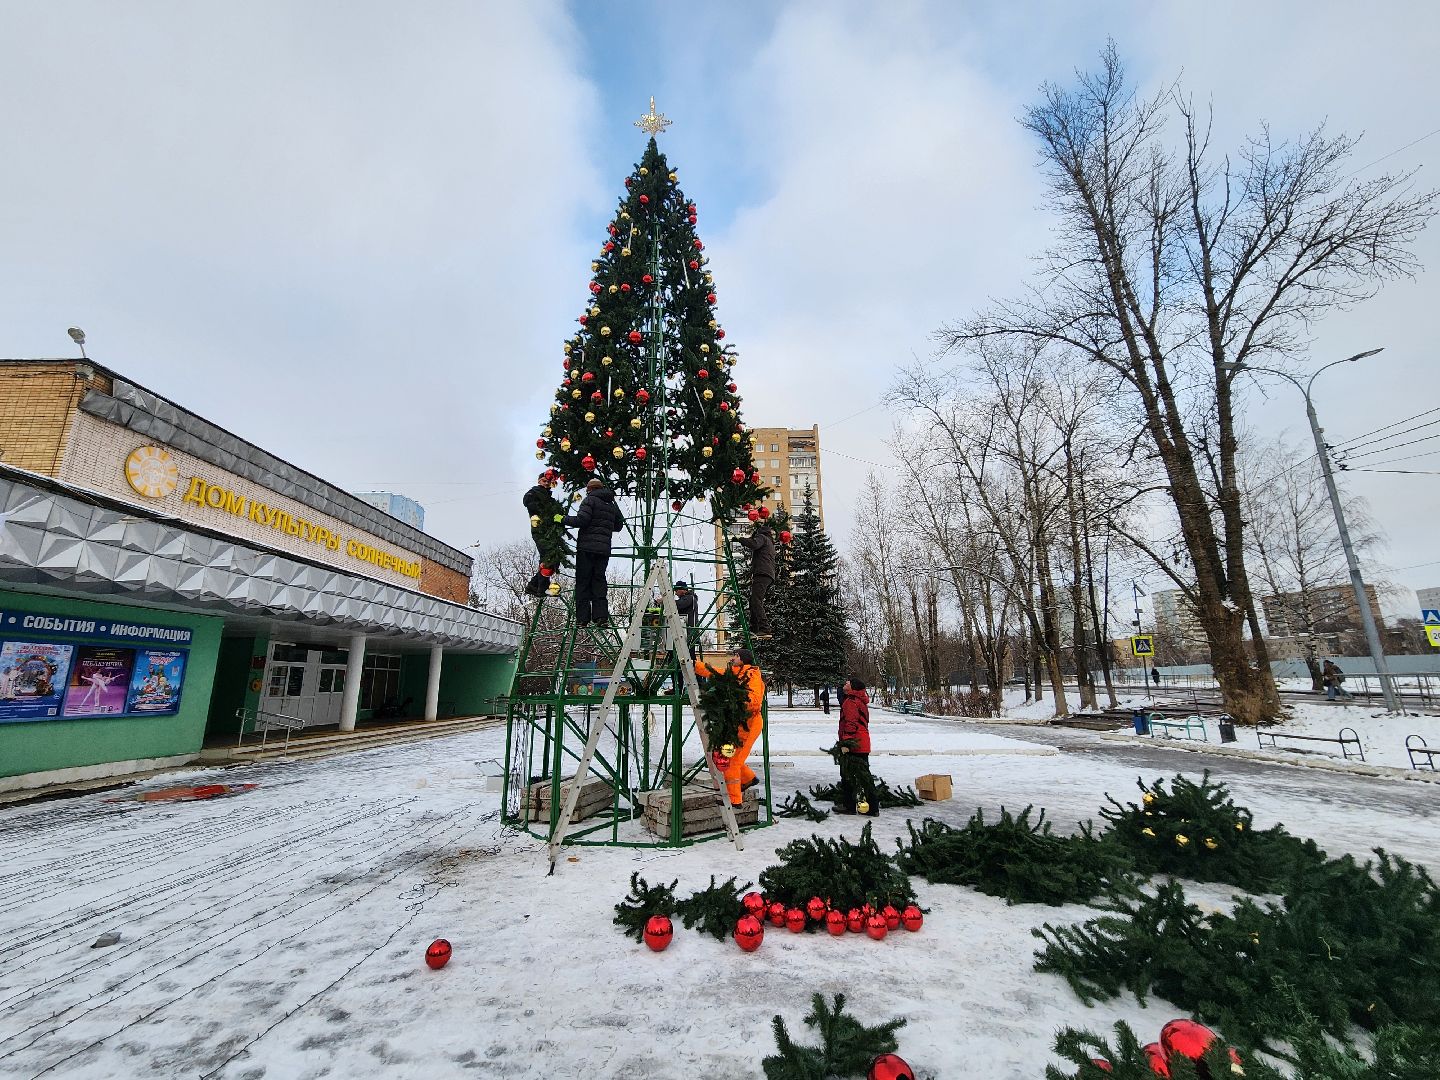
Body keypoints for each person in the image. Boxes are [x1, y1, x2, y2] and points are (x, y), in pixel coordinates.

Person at [695, 647, 765, 807]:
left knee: (732, 762)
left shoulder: (752, 675)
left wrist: (735, 700)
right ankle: (748, 779)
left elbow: (754, 701)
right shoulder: (735, 672)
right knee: (728, 758)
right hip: (737, 725)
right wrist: (695, 666)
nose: (733, 658)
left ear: (743, 659)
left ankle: (735, 800)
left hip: (750, 724)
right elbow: (715, 672)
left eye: (736, 655)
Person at [564, 479, 625, 627]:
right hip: (603, 550)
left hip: (586, 547)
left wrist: (562, 519)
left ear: (589, 489)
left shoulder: (589, 500)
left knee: (583, 581)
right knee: (599, 580)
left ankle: (582, 619)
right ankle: (601, 617)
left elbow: (582, 520)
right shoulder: (611, 505)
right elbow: (618, 525)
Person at [834, 678, 878, 817]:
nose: (845, 684)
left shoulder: (851, 702)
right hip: (863, 742)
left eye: (848, 683)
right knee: (864, 776)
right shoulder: (859, 700)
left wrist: (846, 744)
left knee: (847, 775)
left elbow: (851, 723)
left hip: (855, 743)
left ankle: (849, 806)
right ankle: (873, 807)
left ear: (853, 688)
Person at [732, 524, 775, 638]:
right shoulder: (770, 542)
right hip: (767, 575)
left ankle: (764, 628)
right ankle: (754, 628)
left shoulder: (762, 537)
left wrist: (740, 539)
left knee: (756, 601)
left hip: (762, 573)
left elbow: (754, 544)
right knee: (753, 601)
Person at [522, 472, 561, 597]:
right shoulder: (533, 493)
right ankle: (540, 588)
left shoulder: (550, 498)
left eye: (548, 481)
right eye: (544, 480)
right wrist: (546, 511)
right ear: (539, 481)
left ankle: (534, 586)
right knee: (549, 556)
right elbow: (528, 502)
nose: (546, 483)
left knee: (551, 558)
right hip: (540, 530)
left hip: (550, 531)